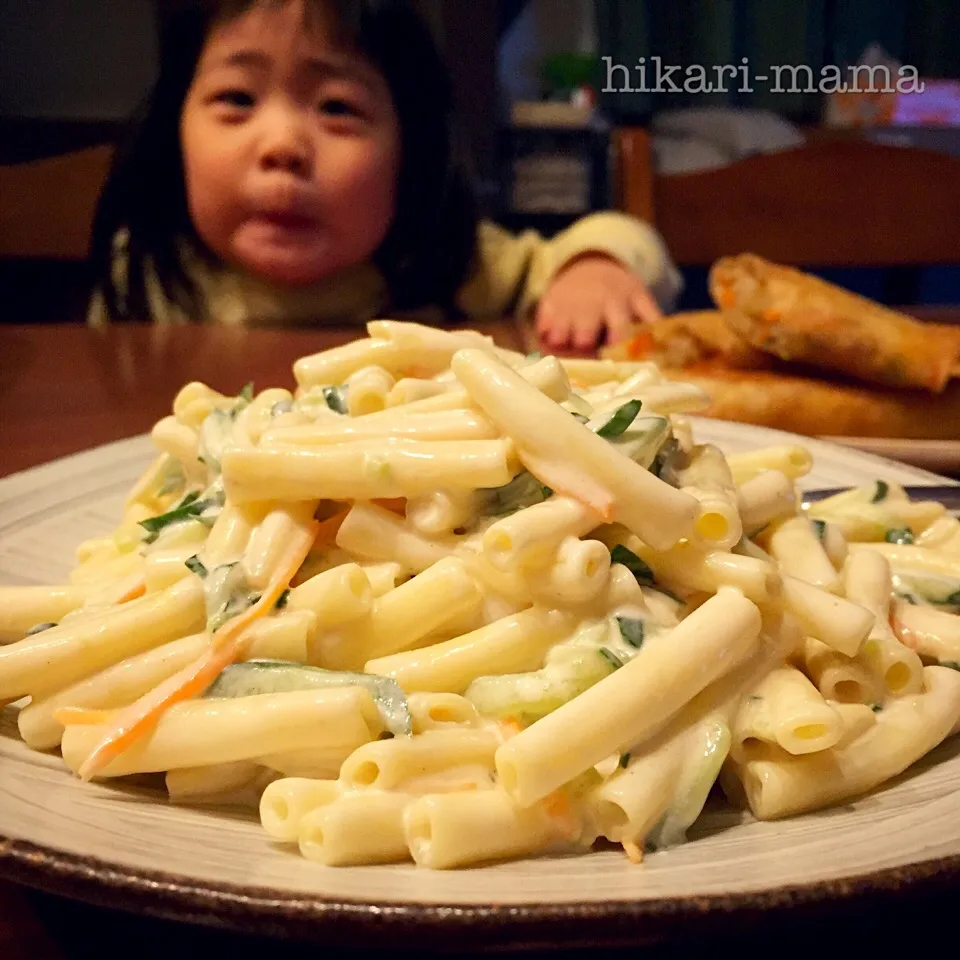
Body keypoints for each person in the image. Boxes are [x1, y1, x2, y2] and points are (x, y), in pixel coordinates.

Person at [89, 0, 681, 351]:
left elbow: (624, 239)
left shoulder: (453, 266)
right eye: (237, 99)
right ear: (175, 127)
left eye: (337, 108)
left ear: (411, 150)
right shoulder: (145, 276)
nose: (283, 146)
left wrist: (595, 268)